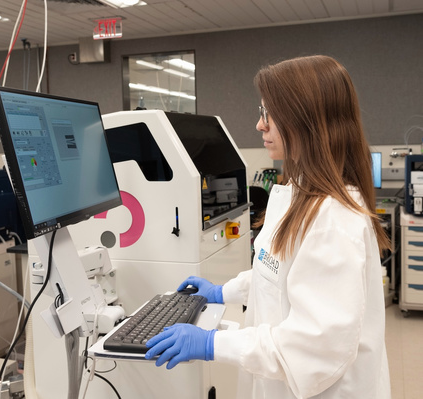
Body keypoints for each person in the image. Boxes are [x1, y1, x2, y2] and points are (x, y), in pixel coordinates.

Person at [145, 55, 391, 399]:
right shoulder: (297, 193)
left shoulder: (332, 220)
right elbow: (276, 274)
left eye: (269, 113)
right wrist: (222, 292)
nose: (260, 125)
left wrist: (214, 343)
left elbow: (313, 348)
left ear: (306, 120)